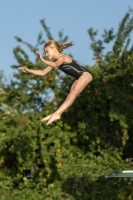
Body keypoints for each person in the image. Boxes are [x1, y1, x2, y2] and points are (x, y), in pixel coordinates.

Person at [18, 40, 93, 125]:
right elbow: (43, 72)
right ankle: (57, 113)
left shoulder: (63, 57)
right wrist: (28, 70)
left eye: (47, 51)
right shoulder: (56, 61)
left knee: (73, 94)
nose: (46, 54)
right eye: (45, 53)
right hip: (80, 77)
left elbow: (55, 64)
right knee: (70, 94)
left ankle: (57, 114)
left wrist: (43, 60)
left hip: (85, 74)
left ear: (54, 49)